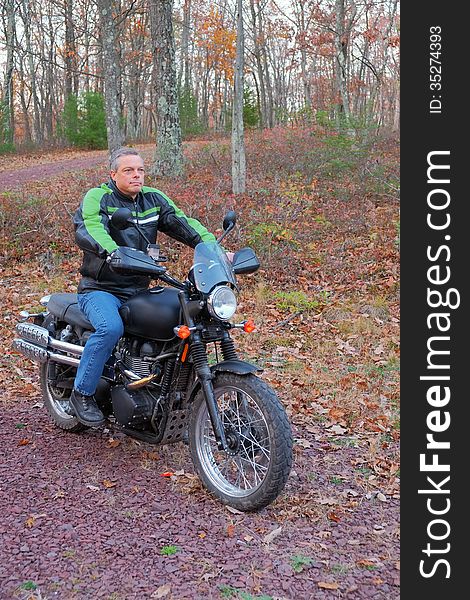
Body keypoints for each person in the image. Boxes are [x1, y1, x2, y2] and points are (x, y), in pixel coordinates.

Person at [70, 146, 218, 427]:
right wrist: (112, 252)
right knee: (110, 328)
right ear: (113, 174)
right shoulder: (98, 197)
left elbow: (183, 224)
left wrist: (215, 250)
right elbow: (89, 227)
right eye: (128, 170)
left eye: (140, 170)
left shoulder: (152, 199)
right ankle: (82, 394)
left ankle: (167, 395)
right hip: (101, 288)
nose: (136, 175)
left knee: (185, 315)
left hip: (141, 288)